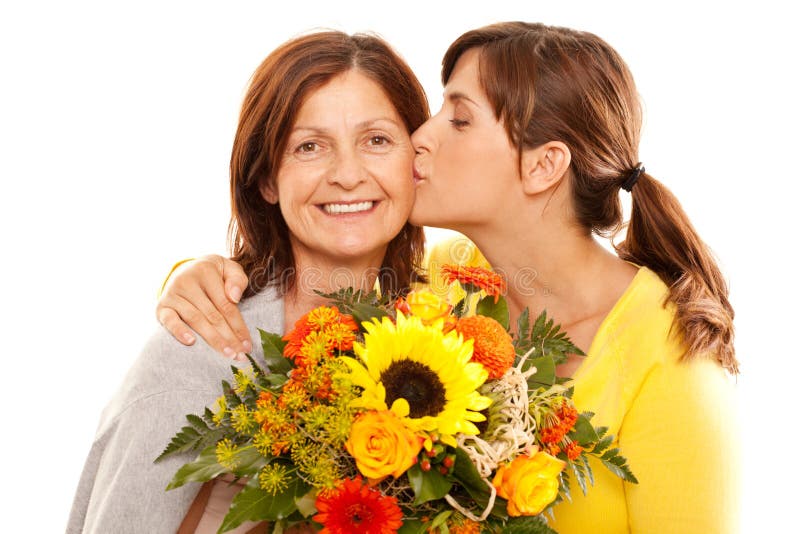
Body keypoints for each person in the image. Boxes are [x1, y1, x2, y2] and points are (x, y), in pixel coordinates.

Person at [157, 22, 741, 533]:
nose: (421, 137)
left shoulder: (676, 364)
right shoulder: (449, 279)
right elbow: (323, 281)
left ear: (543, 165)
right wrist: (197, 275)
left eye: (458, 119)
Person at [66, 30, 429, 534]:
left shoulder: (453, 332)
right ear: (266, 180)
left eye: (376, 140)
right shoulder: (195, 356)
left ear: (418, 161)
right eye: (309, 146)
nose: (347, 173)